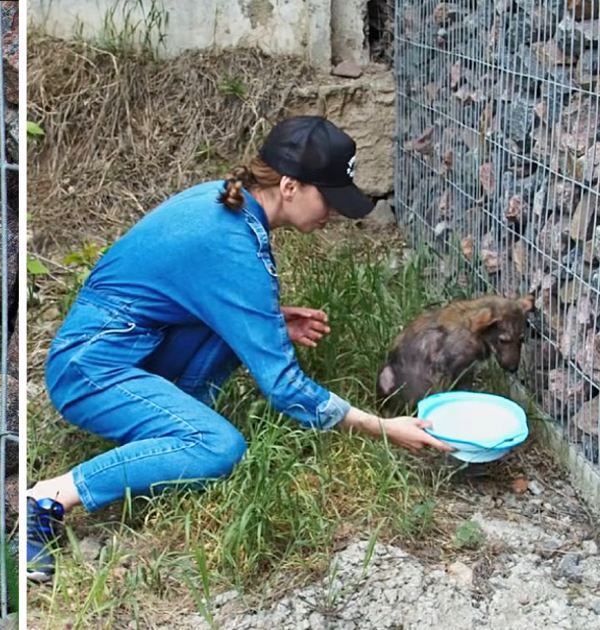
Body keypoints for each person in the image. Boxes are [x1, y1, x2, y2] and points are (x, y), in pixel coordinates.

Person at [25, 115, 454, 583]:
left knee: (236, 349)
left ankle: (168, 437)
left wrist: (264, 321)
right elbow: (286, 389)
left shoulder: (226, 202)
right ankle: (49, 497)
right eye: (327, 198)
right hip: (88, 370)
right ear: (290, 185)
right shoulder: (232, 241)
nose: (331, 212)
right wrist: (383, 428)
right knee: (219, 447)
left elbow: (183, 290)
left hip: (118, 347)